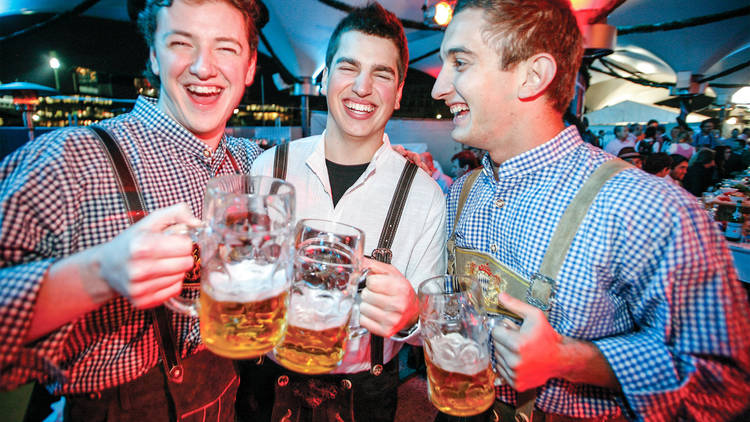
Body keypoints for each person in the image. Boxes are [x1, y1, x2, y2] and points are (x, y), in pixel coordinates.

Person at [430, 0, 750, 420]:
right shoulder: (463, 193)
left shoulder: (650, 207)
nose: (439, 88)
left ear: (533, 76)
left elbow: (721, 381)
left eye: (460, 62)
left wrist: (570, 359)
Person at [0, 0, 263, 420]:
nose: (203, 67)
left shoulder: (253, 164)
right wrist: (97, 273)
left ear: (249, 67)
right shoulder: (71, 159)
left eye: (226, 48)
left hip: (227, 394)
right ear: (154, 56)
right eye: (181, 43)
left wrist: (403, 163)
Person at [242, 3, 446, 421]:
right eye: (348, 67)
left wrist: (411, 316)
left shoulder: (424, 195)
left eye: (381, 74)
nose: (362, 87)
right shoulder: (268, 169)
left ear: (400, 90)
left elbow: (433, 327)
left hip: (366, 396)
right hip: (265, 383)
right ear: (326, 76)